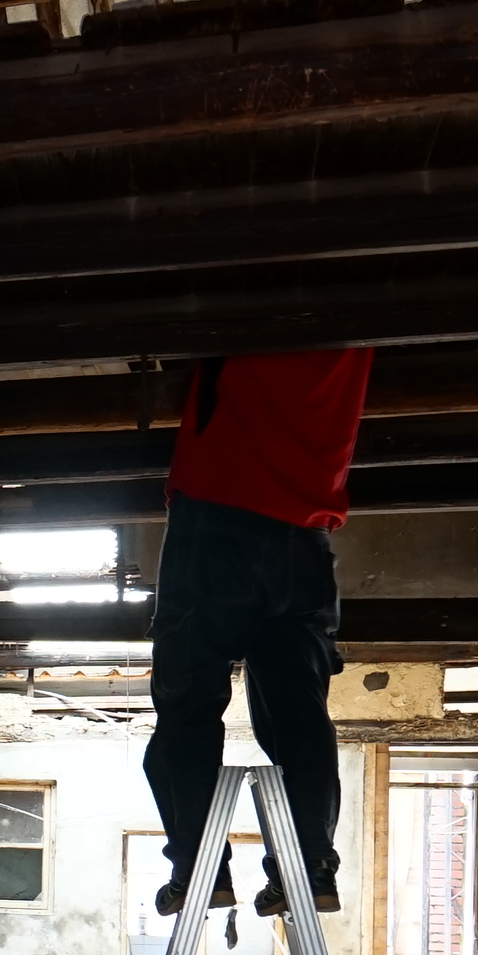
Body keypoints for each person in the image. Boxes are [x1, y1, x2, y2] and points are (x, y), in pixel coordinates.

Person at [146, 345, 372, 920]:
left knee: (187, 708)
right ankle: (310, 869)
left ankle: (199, 869)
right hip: (305, 542)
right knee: (299, 718)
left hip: (216, 522)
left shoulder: (248, 313)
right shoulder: (355, 335)